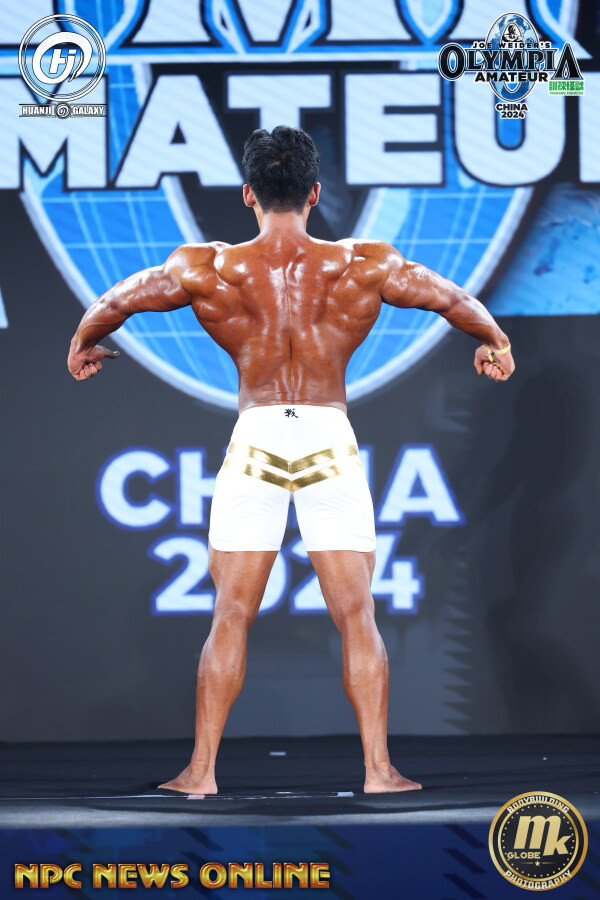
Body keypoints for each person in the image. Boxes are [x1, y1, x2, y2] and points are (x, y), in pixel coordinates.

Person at [67, 126, 515, 795]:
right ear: (315, 193)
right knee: (356, 612)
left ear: (248, 194)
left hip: (257, 437)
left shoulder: (209, 267)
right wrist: (495, 342)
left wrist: (83, 343)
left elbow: (118, 301)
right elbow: (452, 298)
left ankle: (201, 773)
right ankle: (378, 771)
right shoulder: (362, 263)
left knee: (230, 613)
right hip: (327, 437)